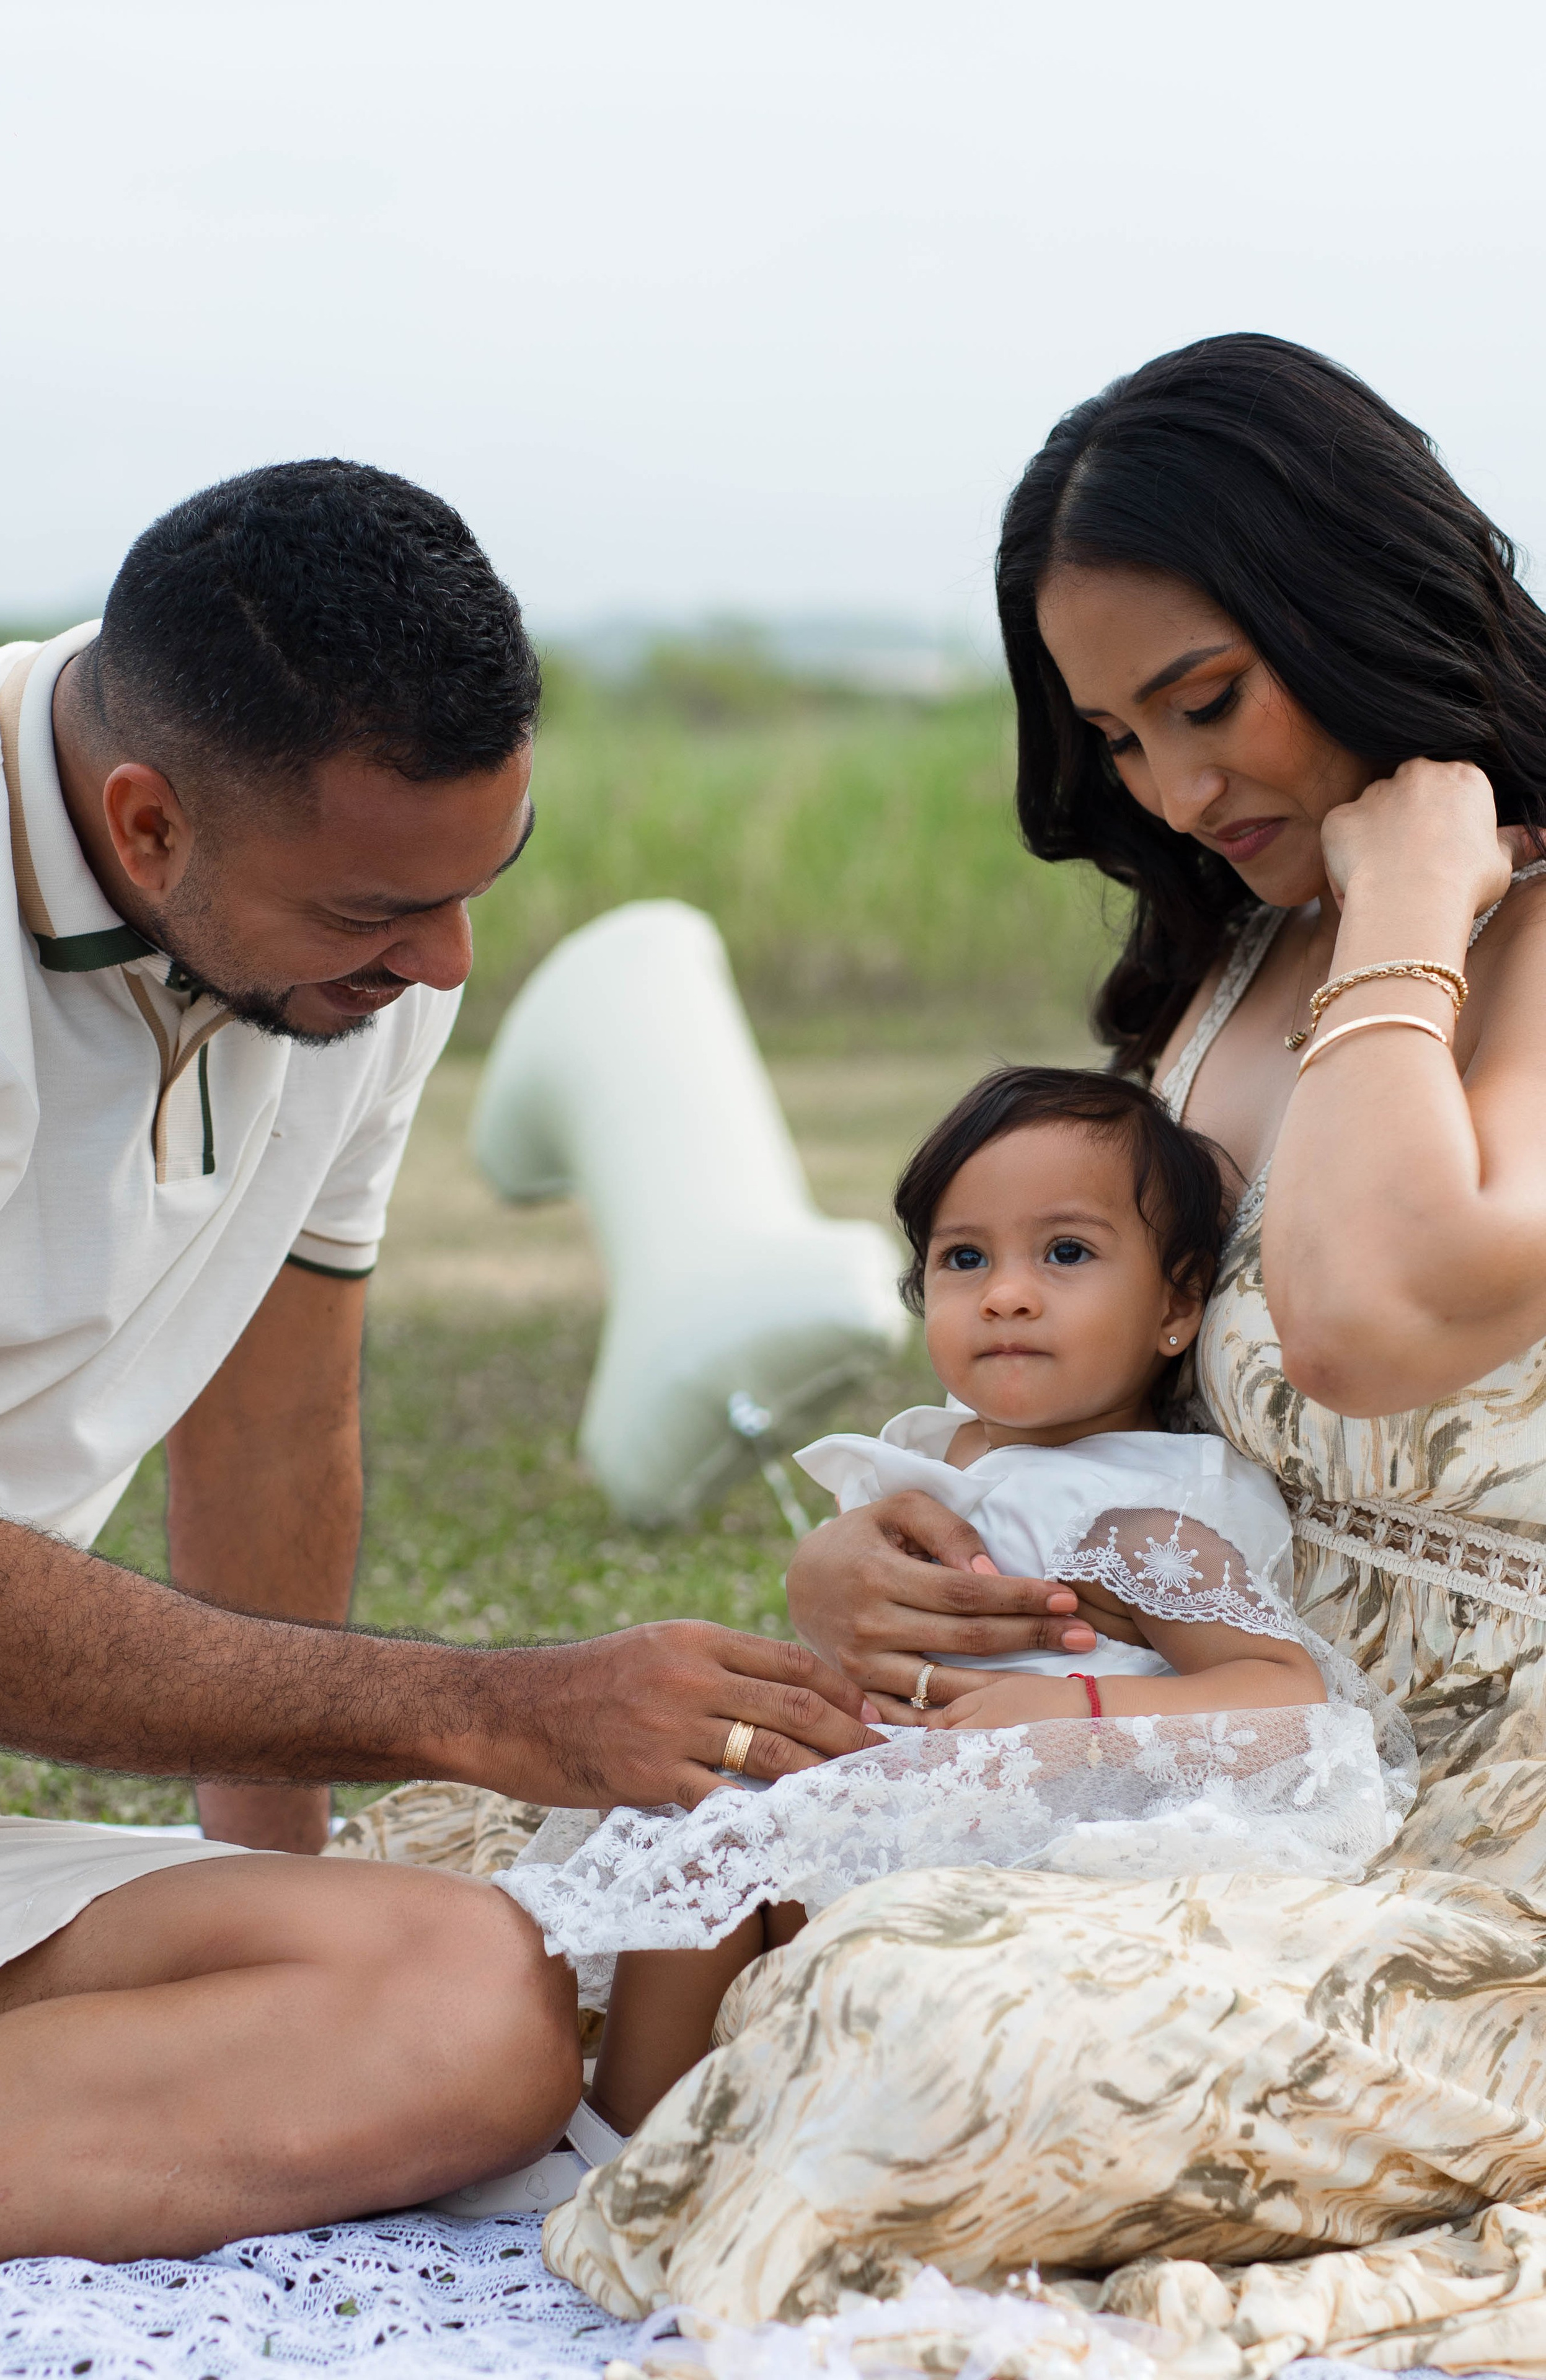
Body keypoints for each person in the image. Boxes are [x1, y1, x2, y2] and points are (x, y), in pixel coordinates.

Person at [536, 337, 1546, 2361]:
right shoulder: (1238, 959)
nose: (1177, 795)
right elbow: (1134, 1384)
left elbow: (1360, 1324)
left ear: (1356, 603)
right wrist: (886, 1550)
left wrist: (1423, 898)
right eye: (1121, 737)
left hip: (1486, 1854)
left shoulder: (1498, 942)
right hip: (1210, 1750)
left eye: (1208, 704)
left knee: (915, 2019)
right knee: (621, 1891)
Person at [0, 460, 883, 2265]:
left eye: (482, 883)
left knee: (467, 2011)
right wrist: (479, 1704)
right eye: (379, 914)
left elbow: (274, 1417)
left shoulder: (359, 951)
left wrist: (272, 1902)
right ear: (148, 829)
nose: (448, 960)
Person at [503, 1065, 1408, 2163]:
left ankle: (631, 2138)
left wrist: (1070, 1711)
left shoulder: (1139, 1507)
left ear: (1176, 1307)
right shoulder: (941, 1452)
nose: (1007, 1294)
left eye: (1065, 1255)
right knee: (694, 1806)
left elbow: (1283, 1693)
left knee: (726, 1834)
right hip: (906, 1772)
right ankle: (636, 2110)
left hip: (1039, 1805)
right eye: (963, 1258)